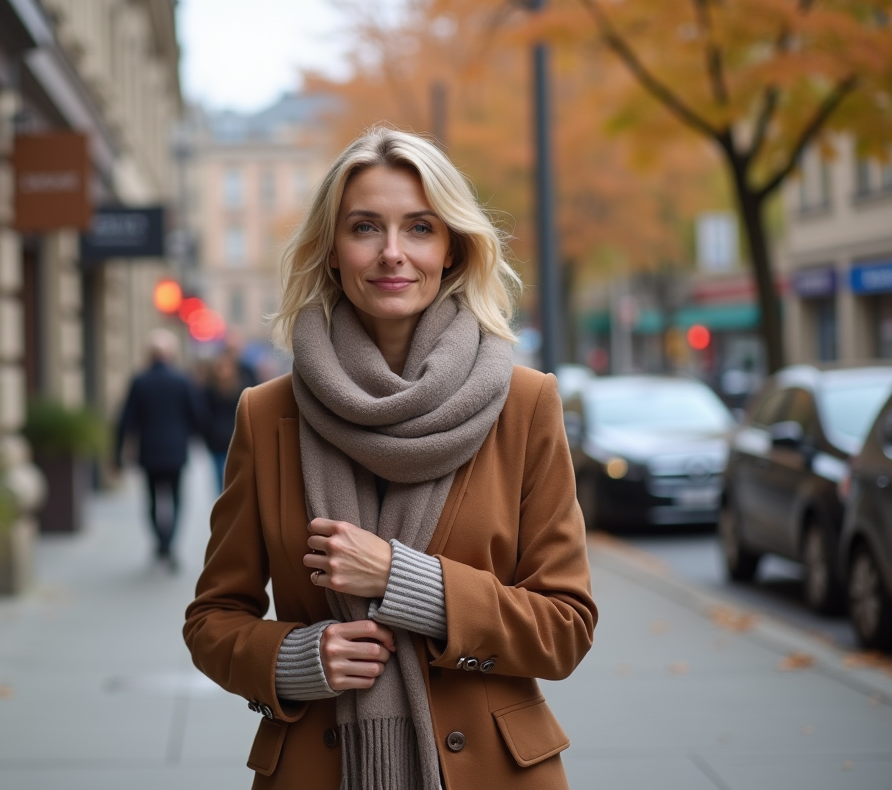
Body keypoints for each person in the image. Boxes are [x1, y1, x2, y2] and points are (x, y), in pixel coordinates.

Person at [184, 127, 597, 789]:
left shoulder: (524, 404)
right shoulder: (267, 416)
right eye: (366, 227)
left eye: (420, 228)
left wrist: (408, 583)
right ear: (332, 251)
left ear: (453, 247)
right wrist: (296, 658)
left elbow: (565, 628)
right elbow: (211, 621)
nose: (393, 254)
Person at [115, 329, 204, 571]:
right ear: (171, 354)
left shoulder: (140, 381)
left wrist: (117, 453)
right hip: (176, 450)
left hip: (149, 451)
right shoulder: (182, 380)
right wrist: (193, 437)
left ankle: (161, 543)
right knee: (176, 500)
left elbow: (126, 420)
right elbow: (196, 415)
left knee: (153, 500)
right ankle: (169, 544)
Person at [200, 350, 250, 493]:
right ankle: (223, 503)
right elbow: (203, 414)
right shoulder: (209, 389)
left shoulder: (241, 387)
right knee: (219, 475)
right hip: (216, 440)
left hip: (237, 437)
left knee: (236, 474)